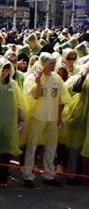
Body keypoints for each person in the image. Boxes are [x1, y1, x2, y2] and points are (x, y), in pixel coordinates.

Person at [22, 52, 72, 188]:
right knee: (32, 146)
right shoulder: (32, 78)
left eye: (53, 64)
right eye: (50, 64)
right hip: (37, 117)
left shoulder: (56, 78)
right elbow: (35, 96)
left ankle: (49, 175)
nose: (53, 66)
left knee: (51, 146)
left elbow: (60, 99)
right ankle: (28, 175)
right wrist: (38, 81)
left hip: (52, 117)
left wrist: (59, 118)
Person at [0, 57, 28, 188]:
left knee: (5, 153)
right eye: (3, 70)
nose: (5, 73)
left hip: (8, 123)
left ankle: (3, 179)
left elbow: (19, 103)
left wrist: (21, 119)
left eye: (7, 70)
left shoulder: (13, 85)